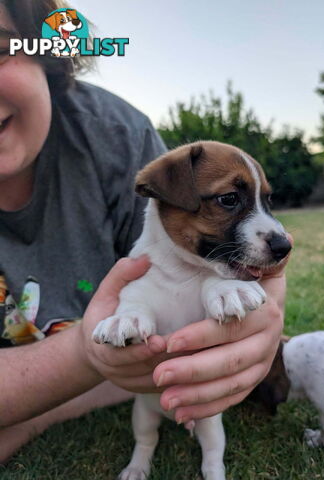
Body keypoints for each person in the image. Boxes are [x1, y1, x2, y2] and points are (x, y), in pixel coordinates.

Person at [0, 0, 289, 463]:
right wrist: (83, 360)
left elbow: (184, 286)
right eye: (230, 201)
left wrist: (254, 307)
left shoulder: (116, 140)